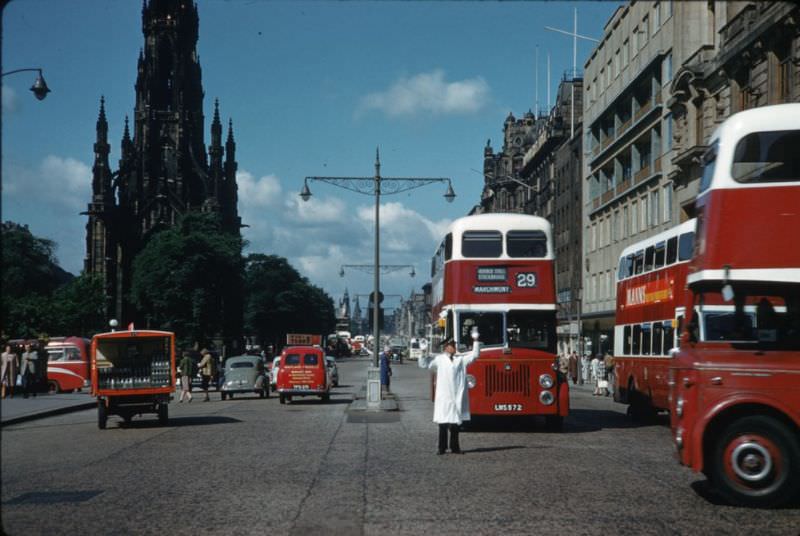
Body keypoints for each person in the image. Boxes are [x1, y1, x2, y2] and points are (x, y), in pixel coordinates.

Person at [418, 328, 481, 455]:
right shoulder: (439, 360)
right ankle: (441, 448)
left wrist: (475, 340)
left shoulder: (460, 359)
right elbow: (424, 364)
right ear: (446, 347)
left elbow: (475, 356)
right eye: (452, 346)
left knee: (455, 425)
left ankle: (455, 448)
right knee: (442, 424)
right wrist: (423, 351)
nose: (454, 347)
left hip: (457, 396)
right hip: (444, 396)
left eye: (454, 345)